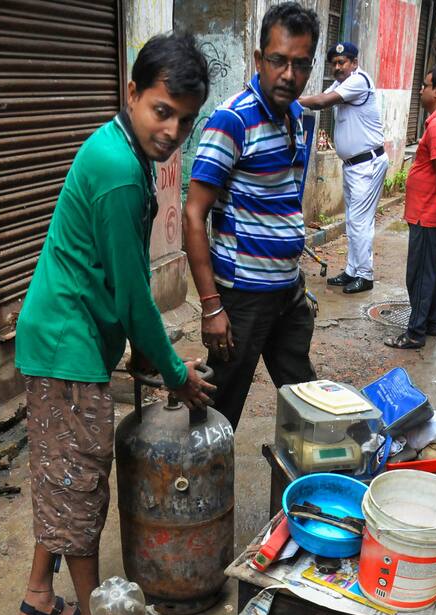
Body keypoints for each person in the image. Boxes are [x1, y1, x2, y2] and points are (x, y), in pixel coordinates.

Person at [14, 34, 215, 615]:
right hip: (65, 342)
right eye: (162, 111)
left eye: (185, 119)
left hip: (68, 337)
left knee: (63, 471)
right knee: (81, 485)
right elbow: (134, 296)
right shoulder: (120, 172)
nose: (172, 130)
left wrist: (136, 349)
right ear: (132, 93)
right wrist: (178, 373)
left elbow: (116, 280)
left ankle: (38, 596)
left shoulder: (119, 149)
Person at [183, 2, 319, 430]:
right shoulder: (232, 120)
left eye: (300, 64)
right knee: (218, 412)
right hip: (242, 297)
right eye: (278, 61)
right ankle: (201, 493)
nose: (288, 74)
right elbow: (193, 213)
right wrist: (210, 307)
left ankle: (311, 487)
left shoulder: (294, 116)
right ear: (260, 59)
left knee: (307, 399)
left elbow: (282, 201)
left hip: (287, 291)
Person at [384, 66, 436, 350]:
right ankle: (431, 322)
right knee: (434, 268)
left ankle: (415, 332)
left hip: (427, 211)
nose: (421, 89)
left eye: (426, 85)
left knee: (419, 273)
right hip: (434, 208)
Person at [299, 41, 388, 293]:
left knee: (360, 221)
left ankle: (365, 275)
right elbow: (323, 97)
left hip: (367, 163)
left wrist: (293, 101)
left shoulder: (358, 81)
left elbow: (322, 102)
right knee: (353, 221)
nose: (338, 67)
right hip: (354, 165)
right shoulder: (341, 83)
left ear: (354, 63)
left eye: (342, 62)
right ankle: (353, 270)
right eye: (334, 64)